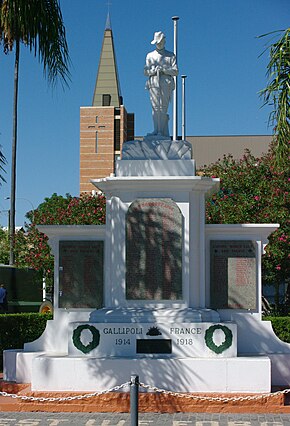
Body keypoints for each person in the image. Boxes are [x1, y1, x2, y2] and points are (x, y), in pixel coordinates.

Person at [144, 31, 178, 137]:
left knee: (163, 108)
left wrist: (164, 70)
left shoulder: (170, 55)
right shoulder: (150, 55)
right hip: (154, 83)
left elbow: (175, 71)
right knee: (155, 108)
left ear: (164, 41)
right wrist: (153, 71)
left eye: (160, 42)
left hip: (165, 83)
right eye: (157, 43)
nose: (158, 44)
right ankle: (156, 129)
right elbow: (145, 71)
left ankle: (162, 131)